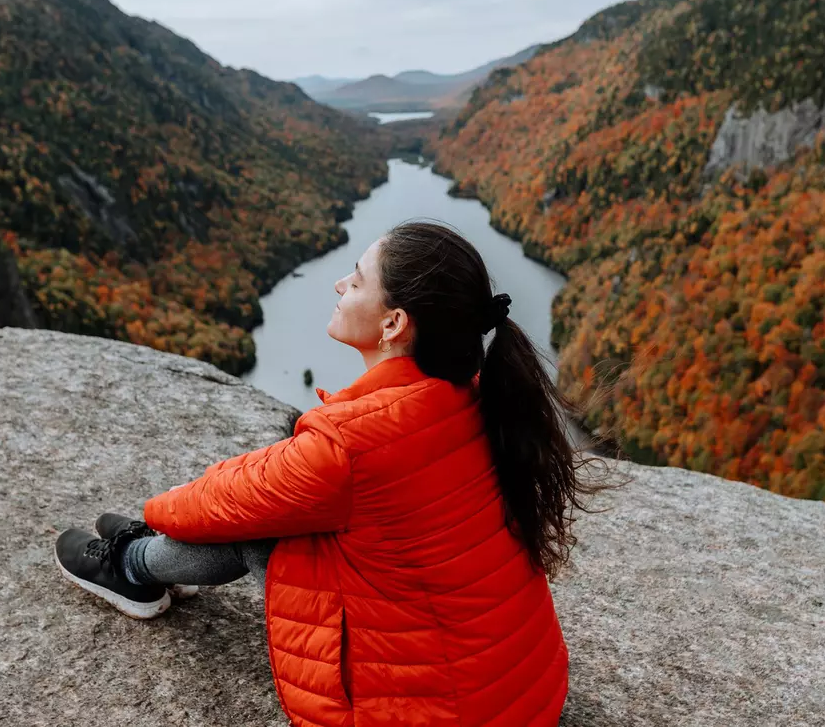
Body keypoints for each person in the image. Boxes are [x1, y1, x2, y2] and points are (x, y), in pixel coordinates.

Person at [55, 220, 598, 726]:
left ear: (393, 323)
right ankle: (147, 562)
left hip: (425, 714)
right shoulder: (478, 397)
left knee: (261, 523)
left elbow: (220, 503)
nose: (340, 284)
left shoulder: (351, 443)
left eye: (357, 281)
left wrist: (159, 512)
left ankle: (131, 565)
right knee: (288, 512)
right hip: (523, 697)